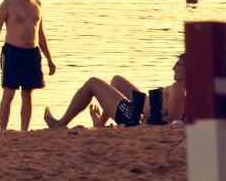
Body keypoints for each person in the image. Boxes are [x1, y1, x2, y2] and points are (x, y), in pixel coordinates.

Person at [0, 0, 56, 131]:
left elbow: (40, 34)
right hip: (12, 53)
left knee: (28, 96)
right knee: (9, 94)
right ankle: (3, 131)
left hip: (32, 54)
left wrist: (50, 60)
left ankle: (24, 131)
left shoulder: (37, 4)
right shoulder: (9, 3)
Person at [44, 54, 187, 128]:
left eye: (178, 64)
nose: (173, 68)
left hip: (134, 116)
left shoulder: (179, 88)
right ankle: (100, 123)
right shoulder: (185, 88)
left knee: (92, 83)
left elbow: (172, 122)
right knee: (116, 80)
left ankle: (60, 123)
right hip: (142, 108)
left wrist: (143, 126)